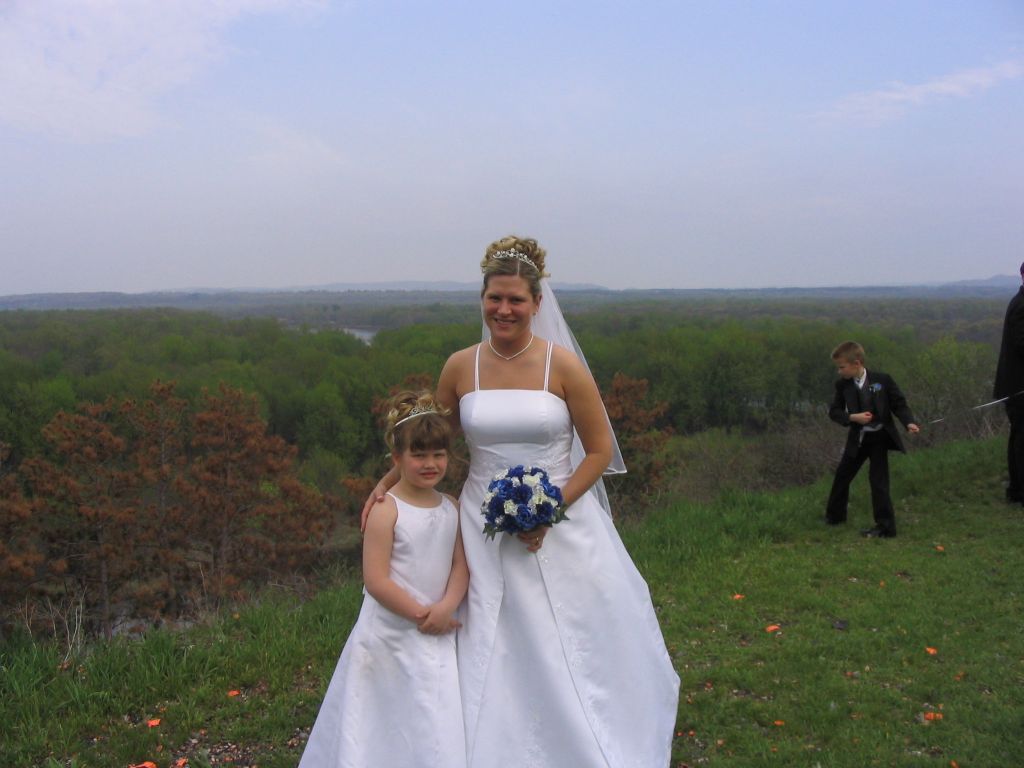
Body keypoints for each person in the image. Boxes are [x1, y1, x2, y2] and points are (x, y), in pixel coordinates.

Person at [363, 236, 679, 768]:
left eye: (515, 299)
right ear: (482, 299)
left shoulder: (564, 366)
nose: (504, 309)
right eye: (495, 298)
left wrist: (549, 509)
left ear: (536, 303)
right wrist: (388, 483)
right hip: (480, 521)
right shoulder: (461, 366)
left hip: (561, 517)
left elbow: (599, 452)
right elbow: (429, 437)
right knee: (493, 630)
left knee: (568, 629)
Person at [300, 391, 469, 768]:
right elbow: (376, 581)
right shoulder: (386, 509)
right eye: (419, 455)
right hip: (391, 631)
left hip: (437, 625)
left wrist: (446, 607)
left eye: (438, 454)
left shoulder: (452, 506)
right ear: (397, 459)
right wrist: (423, 615)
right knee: (383, 709)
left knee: (431, 707)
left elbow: (461, 565)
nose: (430, 464)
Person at [825, 341, 920, 538]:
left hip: (879, 438)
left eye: (842, 367)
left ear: (857, 363)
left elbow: (899, 404)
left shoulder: (882, 380)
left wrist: (909, 422)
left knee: (878, 482)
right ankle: (835, 518)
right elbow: (834, 412)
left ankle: (886, 527)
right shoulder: (842, 385)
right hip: (858, 439)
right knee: (842, 476)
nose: (839, 371)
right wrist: (853, 417)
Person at [993, 262, 1024, 505]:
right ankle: (1019, 491)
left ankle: (1016, 490)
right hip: (1019, 387)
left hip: (1016, 386)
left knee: (1018, 437)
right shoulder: (1021, 305)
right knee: (1021, 439)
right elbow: (1021, 343)